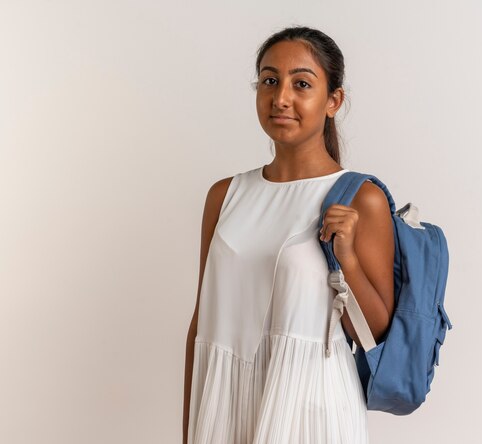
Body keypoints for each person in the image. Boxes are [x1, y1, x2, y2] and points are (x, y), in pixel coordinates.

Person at [183, 25, 395, 444]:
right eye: (269, 80)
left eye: (301, 83)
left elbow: (374, 334)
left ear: (333, 100)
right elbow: (199, 323)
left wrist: (347, 258)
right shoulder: (225, 195)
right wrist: (191, 429)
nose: (281, 98)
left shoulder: (360, 197)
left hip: (309, 409)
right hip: (223, 405)